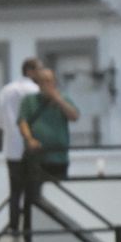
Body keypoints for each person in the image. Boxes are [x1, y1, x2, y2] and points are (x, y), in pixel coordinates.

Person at [18, 67, 79, 205]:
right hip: (36, 159)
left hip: (58, 158)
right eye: (44, 81)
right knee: (34, 197)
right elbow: (23, 122)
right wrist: (29, 139)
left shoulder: (63, 99)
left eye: (50, 81)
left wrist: (58, 100)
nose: (47, 84)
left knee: (59, 197)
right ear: (38, 83)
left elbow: (74, 116)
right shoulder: (29, 101)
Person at [0, 57, 41, 237]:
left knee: (15, 191)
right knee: (32, 191)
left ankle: (14, 227)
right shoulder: (35, 91)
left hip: (11, 149)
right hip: (30, 148)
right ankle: (29, 228)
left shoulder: (6, 90)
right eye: (38, 69)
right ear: (30, 71)